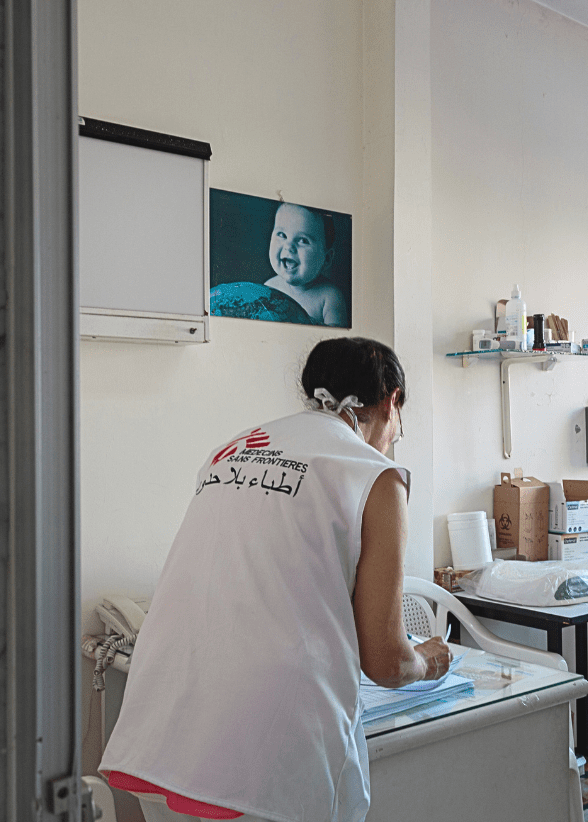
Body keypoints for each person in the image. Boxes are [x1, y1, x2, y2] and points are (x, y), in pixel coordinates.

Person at [100, 337, 449, 822]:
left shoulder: (231, 450)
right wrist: (428, 661)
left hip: (158, 739)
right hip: (263, 767)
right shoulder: (375, 475)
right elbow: (388, 662)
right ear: (392, 401)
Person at [264, 202, 350, 327]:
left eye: (303, 240)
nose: (289, 246)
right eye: (282, 235)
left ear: (326, 258)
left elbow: (336, 343)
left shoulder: (329, 297)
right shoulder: (269, 288)